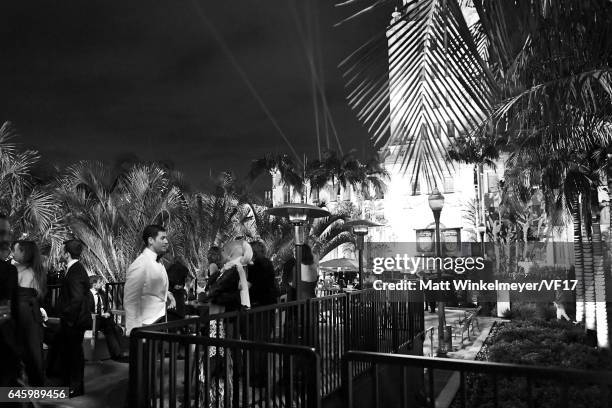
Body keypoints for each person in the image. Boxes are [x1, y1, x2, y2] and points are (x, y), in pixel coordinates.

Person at [198, 239, 252, 407]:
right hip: (222, 317)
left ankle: (219, 398)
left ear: (231, 253)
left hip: (224, 318)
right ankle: (217, 397)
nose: (221, 254)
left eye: (224, 251)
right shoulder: (230, 269)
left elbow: (219, 290)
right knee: (218, 357)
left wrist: (205, 296)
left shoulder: (234, 269)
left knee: (220, 358)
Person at [124, 225, 175, 335]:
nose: (167, 241)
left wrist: (169, 294)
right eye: (162, 238)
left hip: (159, 320)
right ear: (151, 240)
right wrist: (134, 332)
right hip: (145, 325)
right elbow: (130, 300)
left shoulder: (159, 261)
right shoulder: (141, 264)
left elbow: (153, 287)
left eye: (166, 238)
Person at [57, 239, 92, 397]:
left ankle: (75, 387)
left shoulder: (75, 271)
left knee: (74, 354)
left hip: (74, 321)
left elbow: (77, 298)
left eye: (63, 251)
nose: (61, 253)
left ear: (67, 253)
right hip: (75, 320)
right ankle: (72, 385)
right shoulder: (76, 268)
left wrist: (67, 316)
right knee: (72, 353)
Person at [12, 240, 46, 386]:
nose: (13, 253)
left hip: (21, 312)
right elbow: (39, 294)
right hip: (33, 313)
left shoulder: (16, 269)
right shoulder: (37, 270)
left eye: (16, 250)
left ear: (24, 252)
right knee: (34, 352)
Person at [88, 275, 127, 362]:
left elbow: (108, 308)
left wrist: (108, 313)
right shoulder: (87, 295)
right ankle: (118, 354)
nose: (102, 284)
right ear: (94, 285)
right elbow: (87, 311)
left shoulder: (102, 294)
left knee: (114, 328)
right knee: (111, 326)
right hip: (93, 320)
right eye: (100, 282)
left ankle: (119, 353)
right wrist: (101, 316)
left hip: (104, 320)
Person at [248, 241, 277, 307]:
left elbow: (254, 282)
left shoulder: (256, 264)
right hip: (269, 301)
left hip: (259, 302)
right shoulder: (267, 262)